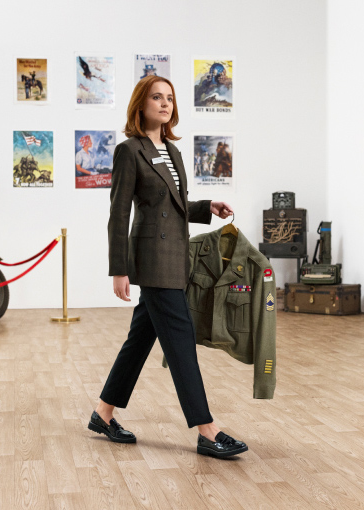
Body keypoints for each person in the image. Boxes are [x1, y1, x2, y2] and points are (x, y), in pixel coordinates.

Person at [87, 75, 248, 458]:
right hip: (151, 260)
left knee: (140, 339)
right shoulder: (130, 151)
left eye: (170, 99)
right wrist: (119, 268)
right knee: (180, 340)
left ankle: (103, 413)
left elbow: (172, 206)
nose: (165, 104)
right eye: (157, 98)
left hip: (175, 256)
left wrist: (204, 207)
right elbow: (118, 213)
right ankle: (207, 429)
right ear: (141, 104)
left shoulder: (173, 153)